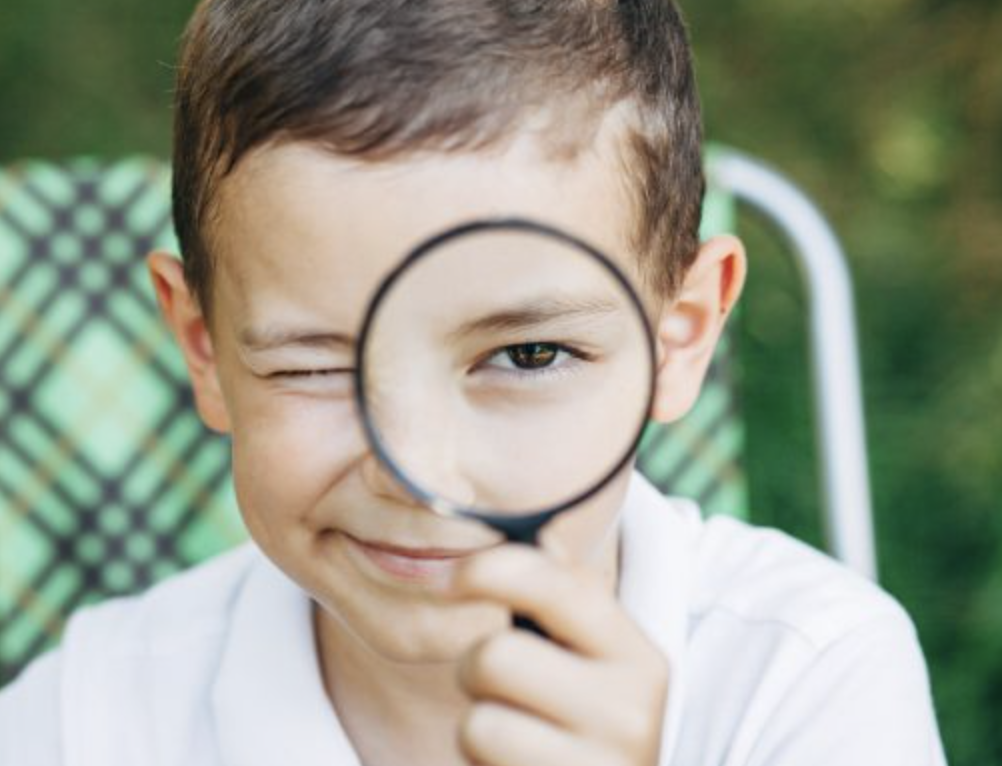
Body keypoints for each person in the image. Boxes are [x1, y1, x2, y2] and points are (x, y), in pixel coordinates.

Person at [0, 1, 948, 764]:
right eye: (315, 365)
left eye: (529, 355)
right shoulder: (85, 718)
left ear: (682, 335)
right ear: (203, 349)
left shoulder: (804, 678)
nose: (418, 470)